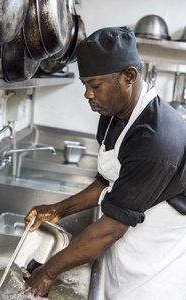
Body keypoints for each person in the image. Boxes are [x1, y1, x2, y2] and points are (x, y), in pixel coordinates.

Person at [24, 26, 186, 299]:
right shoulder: (114, 111)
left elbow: (110, 229)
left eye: (95, 85)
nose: (88, 94)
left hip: (155, 259)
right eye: (85, 84)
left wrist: (48, 272)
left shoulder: (156, 139)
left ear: (129, 76)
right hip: (127, 239)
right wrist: (58, 209)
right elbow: (107, 180)